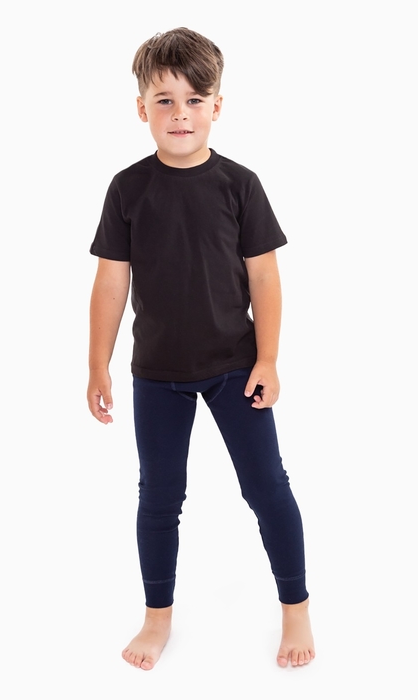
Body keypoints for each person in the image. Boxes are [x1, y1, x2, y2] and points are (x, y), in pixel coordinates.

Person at [87, 27, 314, 670]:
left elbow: (264, 277)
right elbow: (110, 282)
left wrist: (267, 359)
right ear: (141, 109)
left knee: (267, 487)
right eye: (164, 100)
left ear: (218, 105)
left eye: (194, 100)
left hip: (235, 366)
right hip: (156, 372)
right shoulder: (127, 189)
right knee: (159, 497)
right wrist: (97, 363)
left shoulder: (240, 185)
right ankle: (157, 616)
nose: (180, 114)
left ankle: (295, 605)